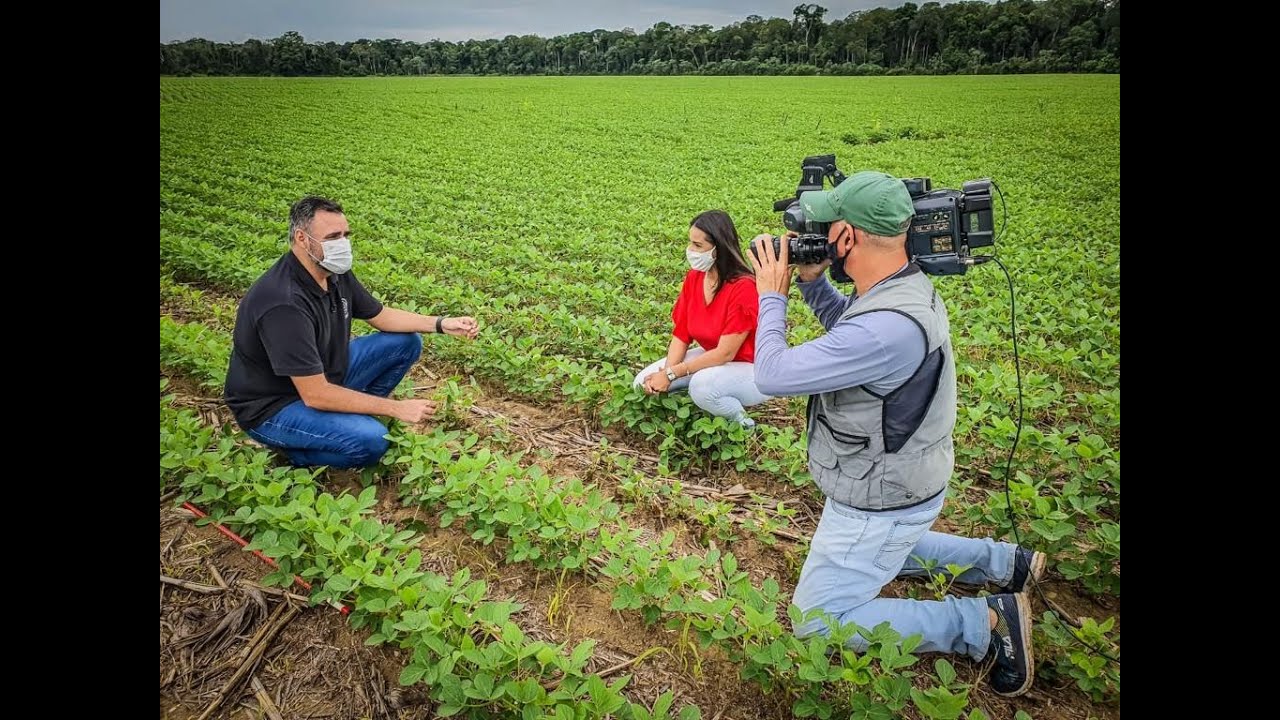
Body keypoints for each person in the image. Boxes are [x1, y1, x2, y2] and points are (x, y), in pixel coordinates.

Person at [748, 172, 1045, 697]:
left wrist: (772, 296)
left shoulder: (887, 325)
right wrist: (815, 284)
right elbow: (854, 336)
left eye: (826, 223)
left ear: (846, 236)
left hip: (881, 497)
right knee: (893, 549)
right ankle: (1006, 563)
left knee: (816, 619)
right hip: (911, 481)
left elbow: (772, 374)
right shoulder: (903, 285)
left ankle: (986, 624)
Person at [224, 195, 479, 468]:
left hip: (324, 377)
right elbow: (316, 394)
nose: (342, 244)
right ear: (301, 238)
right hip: (276, 406)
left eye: (346, 235)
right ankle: (297, 454)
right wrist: (397, 409)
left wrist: (442, 324)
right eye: (333, 236)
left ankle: (351, 416)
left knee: (406, 342)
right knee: (372, 440)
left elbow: (381, 316)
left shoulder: (333, 271)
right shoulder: (283, 303)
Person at [633, 210, 770, 427]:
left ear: (718, 249)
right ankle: (694, 411)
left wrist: (672, 374)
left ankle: (742, 426)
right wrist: (666, 373)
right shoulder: (695, 278)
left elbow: (726, 353)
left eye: (698, 246)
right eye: (690, 243)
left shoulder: (743, 288)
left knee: (702, 387)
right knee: (642, 382)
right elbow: (681, 334)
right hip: (713, 358)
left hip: (752, 369)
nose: (690, 251)